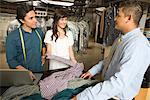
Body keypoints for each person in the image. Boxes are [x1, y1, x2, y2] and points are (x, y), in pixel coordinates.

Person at [72, 1, 150, 100]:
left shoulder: (138, 45)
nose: (114, 18)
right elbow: (109, 60)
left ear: (128, 18)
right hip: (107, 92)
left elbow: (119, 83)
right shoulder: (121, 39)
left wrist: (83, 97)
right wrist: (93, 70)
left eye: (118, 15)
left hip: (116, 97)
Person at [6, 4, 46, 80]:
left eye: (35, 17)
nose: (35, 21)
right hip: (23, 75)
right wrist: (25, 72)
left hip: (40, 72)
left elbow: (43, 44)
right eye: (31, 18)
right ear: (22, 20)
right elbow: (11, 60)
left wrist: (43, 56)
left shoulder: (39, 32)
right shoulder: (13, 37)